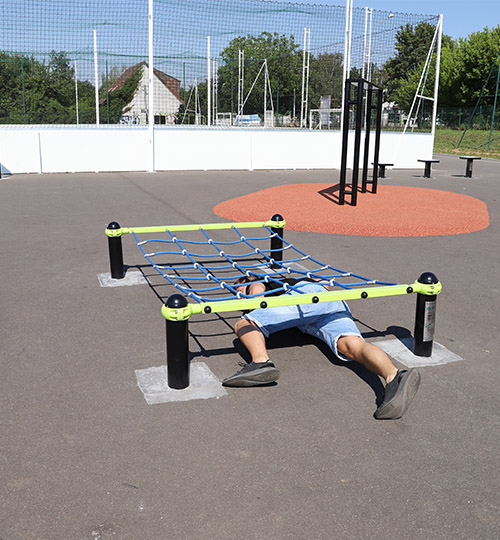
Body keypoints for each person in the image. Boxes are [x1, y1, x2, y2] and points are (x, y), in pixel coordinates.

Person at [222, 275, 420, 420]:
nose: (237, 293)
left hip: (305, 299)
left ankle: (260, 362)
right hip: (327, 302)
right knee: (352, 346)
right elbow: (324, 283)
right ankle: (394, 376)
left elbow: (256, 292)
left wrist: (247, 296)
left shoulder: (261, 281)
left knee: (245, 324)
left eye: (238, 288)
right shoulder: (295, 279)